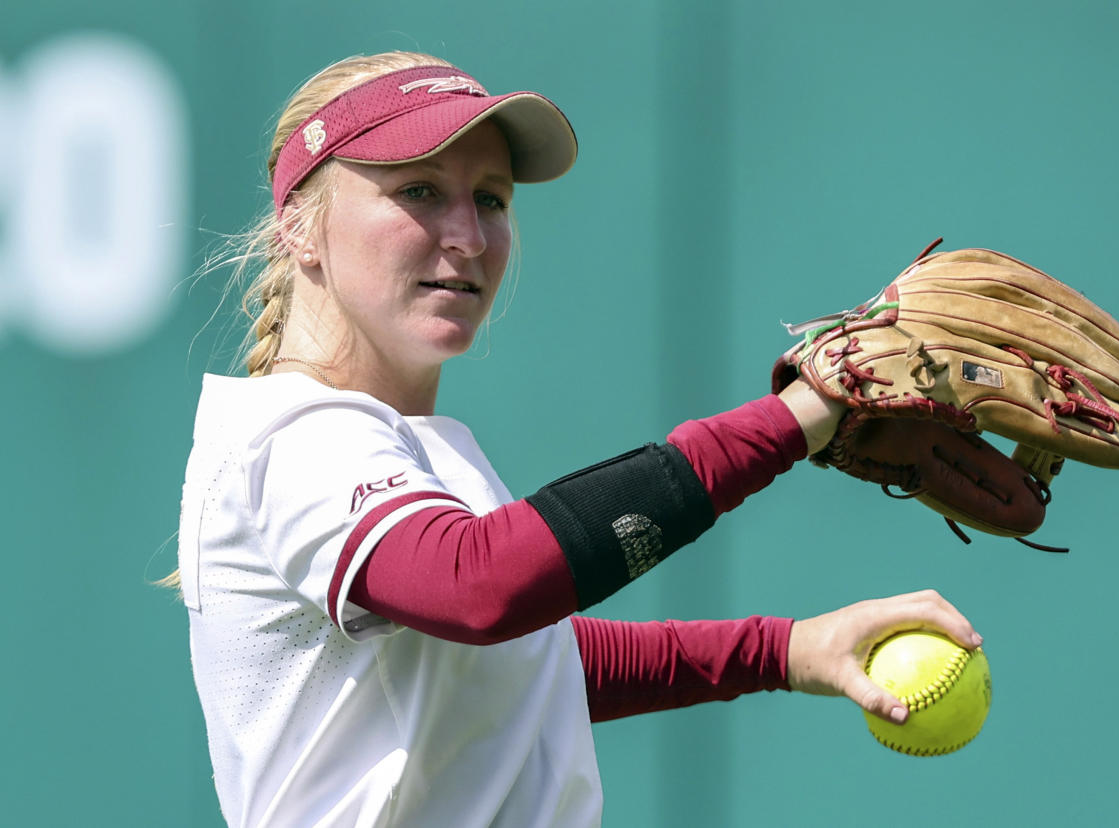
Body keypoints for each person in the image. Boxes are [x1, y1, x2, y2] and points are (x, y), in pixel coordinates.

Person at [176, 50, 983, 827]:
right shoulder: (291, 436)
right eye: (420, 189)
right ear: (300, 229)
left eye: (491, 198)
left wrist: (783, 651)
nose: (468, 234)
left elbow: (519, 672)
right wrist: (802, 416)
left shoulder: (403, 447)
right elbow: (483, 587)